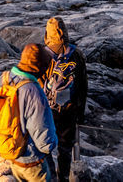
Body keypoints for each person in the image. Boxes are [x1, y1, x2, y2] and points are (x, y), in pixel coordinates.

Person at [0, 44, 58, 182]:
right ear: (40, 67)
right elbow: (44, 142)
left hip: (12, 156)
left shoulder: (4, 79)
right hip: (33, 163)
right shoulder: (34, 92)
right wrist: (54, 142)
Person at [44, 18, 88, 182]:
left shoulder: (43, 54)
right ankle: (63, 177)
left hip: (47, 111)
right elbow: (83, 86)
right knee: (65, 148)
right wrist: (80, 113)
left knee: (44, 147)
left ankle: (50, 176)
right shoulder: (76, 54)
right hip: (69, 111)